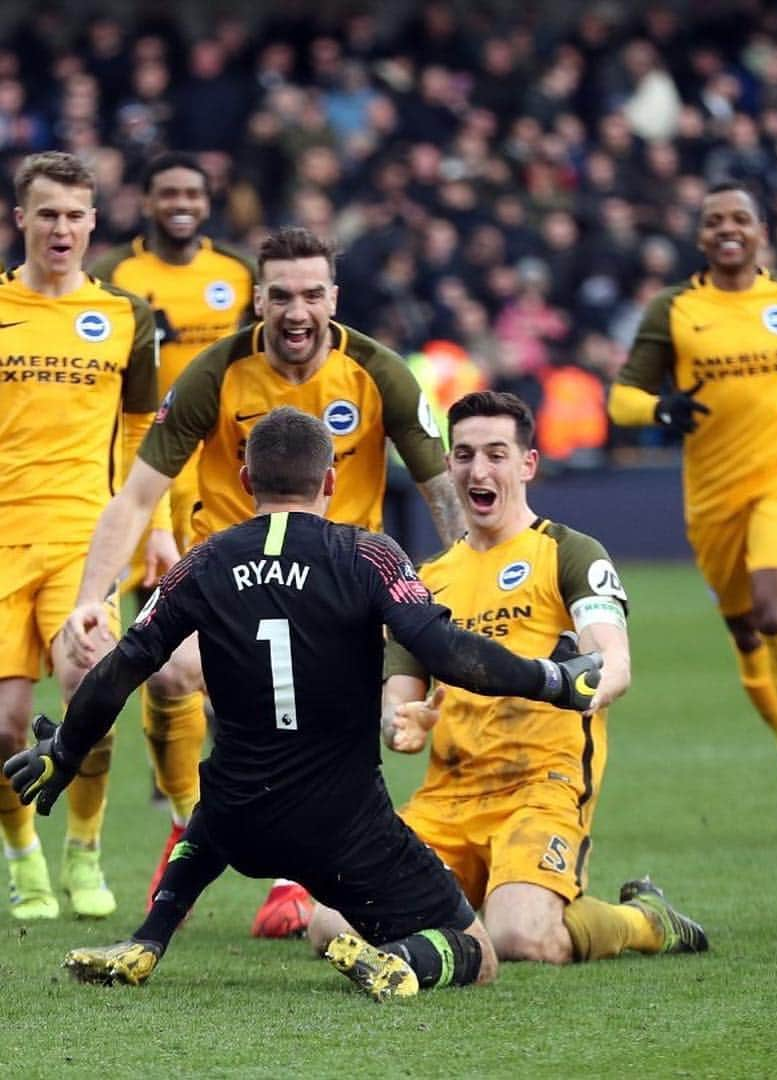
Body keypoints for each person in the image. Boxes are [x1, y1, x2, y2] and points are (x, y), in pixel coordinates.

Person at [3, 406, 602, 999]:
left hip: (240, 822)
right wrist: (550, 678)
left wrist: (67, 748)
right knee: (476, 948)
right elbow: (443, 650)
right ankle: (400, 961)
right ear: (331, 480)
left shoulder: (202, 563)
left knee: (222, 798)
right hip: (341, 829)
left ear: (245, 483)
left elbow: (123, 665)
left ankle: (149, 939)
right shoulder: (371, 557)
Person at [62, 225, 467, 937]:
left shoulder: (379, 372)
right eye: (281, 295)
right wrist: (91, 599)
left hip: (341, 589)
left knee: (365, 720)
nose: (297, 311)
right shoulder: (215, 374)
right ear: (259, 300)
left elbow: (441, 492)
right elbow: (133, 496)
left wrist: (476, 587)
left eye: (313, 294)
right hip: (228, 587)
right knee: (164, 676)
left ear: (334, 298)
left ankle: (291, 874)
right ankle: (192, 820)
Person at [309, 390, 708, 965]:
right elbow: (398, 704)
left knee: (521, 937)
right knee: (328, 922)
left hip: (540, 786)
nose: (479, 469)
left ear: (527, 464)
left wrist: (583, 683)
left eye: (497, 454)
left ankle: (643, 922)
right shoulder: (427, 579)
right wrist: (407, 722)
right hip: (448, 796)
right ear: (448, 466)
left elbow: (613, 663)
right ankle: (469, 902)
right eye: (465, 455)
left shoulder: (569, 553)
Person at [607, 179, 777, 835]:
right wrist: (660, 408)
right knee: (746, 632)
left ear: (761, 232)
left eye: (741, 218)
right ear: (700, 237)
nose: (729, 228)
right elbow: (621, 400)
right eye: (715, 220)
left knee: (776, 610)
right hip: (711, 492)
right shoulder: (674, 309)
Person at [0, 150, 161, 920]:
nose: (61, 227)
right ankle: (24, 854)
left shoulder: (126, 316)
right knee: (3, 722)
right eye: (48, 213)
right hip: (2, 537)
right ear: (20, 217)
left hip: (83, 537)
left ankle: (85, 850)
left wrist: (154, 526)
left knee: (91, 684)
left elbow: (142, 435)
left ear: (94, 222)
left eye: (75, 214)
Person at [91, 150, 257, 868]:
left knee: (227, 628)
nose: (181, 203)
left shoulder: (236, 275)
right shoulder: (121, 281)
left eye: (192, 192)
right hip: (150, 468)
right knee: (160, 634)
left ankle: (202, 776)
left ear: (206, 200)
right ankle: (181, 790)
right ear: (147, 202)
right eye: (168, 193)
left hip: (224, 468)